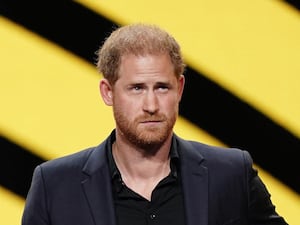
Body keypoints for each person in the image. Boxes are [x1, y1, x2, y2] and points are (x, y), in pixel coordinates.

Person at [21, 23, 288, 225]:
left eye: (162, 87)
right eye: (136, 88)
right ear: (108, 92)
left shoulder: (231, 175)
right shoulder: (54, 185)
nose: (151, 105)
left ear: (180, 89)